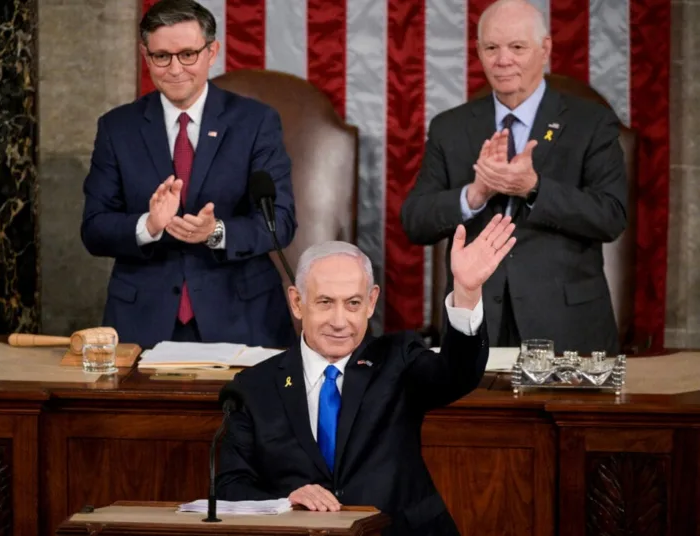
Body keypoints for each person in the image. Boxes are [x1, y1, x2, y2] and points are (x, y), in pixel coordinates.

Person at [217, 215, 516, 536]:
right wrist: (283, 501)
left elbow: (458, 374)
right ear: (297, 302)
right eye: (325, 302)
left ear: (371, 302)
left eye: (353, 303)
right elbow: (230, 487)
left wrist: (466, 293)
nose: (339, 320)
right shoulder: (253, 388)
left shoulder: (398, 360)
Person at [400, 0, 627, 355]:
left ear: (545, 49)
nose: (503, 60)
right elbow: (415, 222)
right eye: (491, 48)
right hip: (477, 323)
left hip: (567, 327)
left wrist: (533, 188)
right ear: (478, 51)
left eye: (517, 47)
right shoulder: (450, 127)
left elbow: (611, 216)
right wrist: (474, 195)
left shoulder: (591, 123)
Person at [80, 0, 297, 349]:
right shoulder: (117, 128)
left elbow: (280, 222)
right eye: (162, 56)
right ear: (145, 55)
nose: (175, 69)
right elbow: (94, 228)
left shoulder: (255, 123)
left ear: (212, 52)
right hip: (143, 322)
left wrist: (216, 231)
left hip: (242, 317)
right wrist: (148, 226)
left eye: (187, 55)